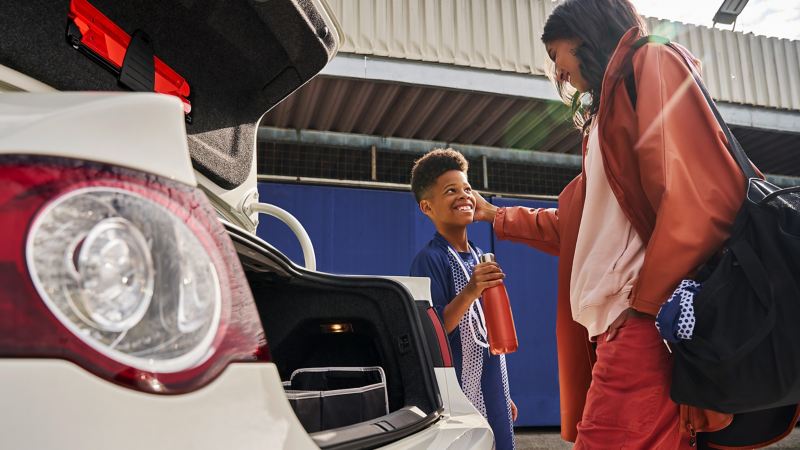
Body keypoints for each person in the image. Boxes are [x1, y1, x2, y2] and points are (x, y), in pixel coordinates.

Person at [472, 0, 748, 447]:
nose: (556, 70)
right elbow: (579, 227)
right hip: (622, 325)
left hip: (638, 322)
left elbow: (695, 194)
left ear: (585, 35)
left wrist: (645, 305)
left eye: (556, 53)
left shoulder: (650, 61)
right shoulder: (605, 117)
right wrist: (496, 215)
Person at [409, 148, 517, 450]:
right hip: (459, 390)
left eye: (468, 188)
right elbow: (434, 330)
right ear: (427, 207)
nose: (464, 195)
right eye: (451, 190)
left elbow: (486, 331)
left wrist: (503, 392)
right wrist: (470, 291)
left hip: (493, 381)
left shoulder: (481, 256)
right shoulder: (430, 259)